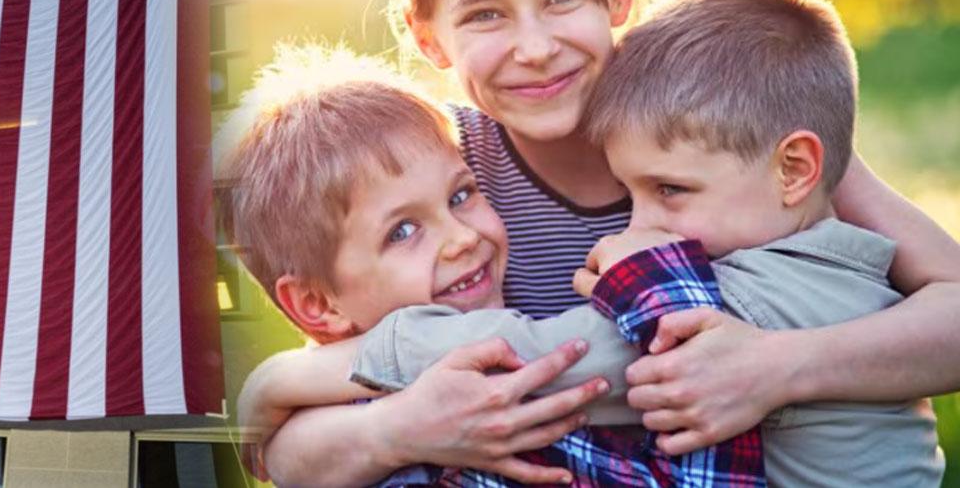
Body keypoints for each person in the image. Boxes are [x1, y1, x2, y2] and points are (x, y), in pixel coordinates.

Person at [242, 0, 960, 486]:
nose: (535, 46)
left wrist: (777, 368)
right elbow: (286, 456)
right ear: (428, 38)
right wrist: (376, 421)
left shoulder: (720, 128)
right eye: (486, 14)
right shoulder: (442, 182)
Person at [220, 45, 764, 486]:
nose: (461, 238)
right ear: (318, 304)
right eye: (402, 231)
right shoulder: (378, 435)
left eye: (461, 196)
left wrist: (276, 382)